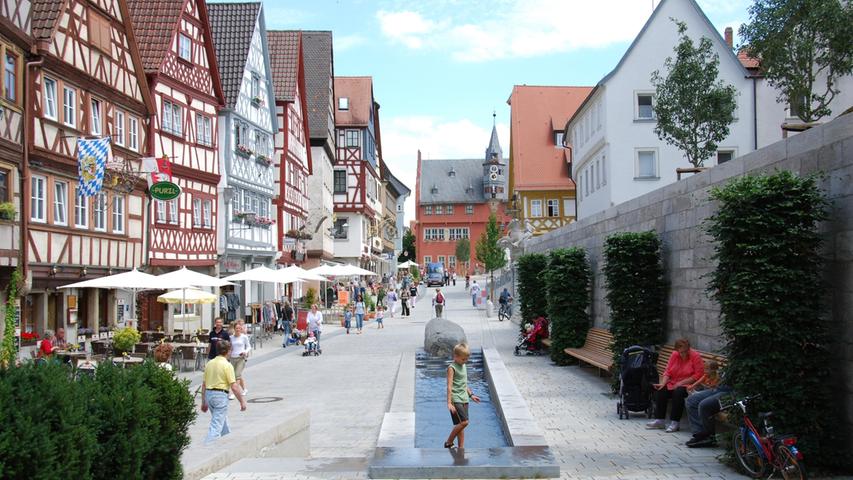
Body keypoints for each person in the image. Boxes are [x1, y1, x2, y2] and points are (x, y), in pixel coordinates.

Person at [646, 338, 705, 433]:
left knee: (678, 393)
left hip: (689, 385)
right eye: (681, 352)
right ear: (677, 350)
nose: (684, 354)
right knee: (661, 390)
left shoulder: (695, 356)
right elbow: (668, 371)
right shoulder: (674, 355)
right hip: (674, 383)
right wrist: (663, 383)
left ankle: (675, 422)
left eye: (686, 351)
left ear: (689, 348)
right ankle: (660, 420)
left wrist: (682, 383)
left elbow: (698, 375)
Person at [201, 340, 246, 444]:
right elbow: (234, 386)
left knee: (222, 420)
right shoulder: (227, 365)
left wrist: (204, 402)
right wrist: (242, 402)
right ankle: (207, 446)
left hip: (209, 394)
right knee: (216, 425)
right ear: (228, 351)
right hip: (220, 395)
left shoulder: (209, 363)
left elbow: (204, 384)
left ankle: (227, 440)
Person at [444, 343, 481, 449]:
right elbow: (449, 386)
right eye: (463, 359)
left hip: (465, 398)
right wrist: (449, 402)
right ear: (455, 356)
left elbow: (464, 384)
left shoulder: (463, 366)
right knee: (465, 422)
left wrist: (471, 395)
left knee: (461, 426)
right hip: (456, 399)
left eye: (466, 359)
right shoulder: (452, 368)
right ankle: (448, 442)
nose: (465, 361)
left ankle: (461, 448)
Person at [685, 371, 733, 448]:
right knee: (692, 400)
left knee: (704, 405)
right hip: (719, 388)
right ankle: (700, 434)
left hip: (731, 392)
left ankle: (710, 438)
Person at [228, 321, 251, 399]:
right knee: (237, 375)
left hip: (241, 358)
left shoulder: (244, 337)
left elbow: (248, 347)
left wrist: (245, 352)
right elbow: (230, 347)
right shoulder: (231, 337)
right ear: (234, 329)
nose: (238, 329)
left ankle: (234, 392)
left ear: (241, 329)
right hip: (232, 358)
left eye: (239, 328)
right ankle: (244, 389)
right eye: (236, 328)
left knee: (237, 375)